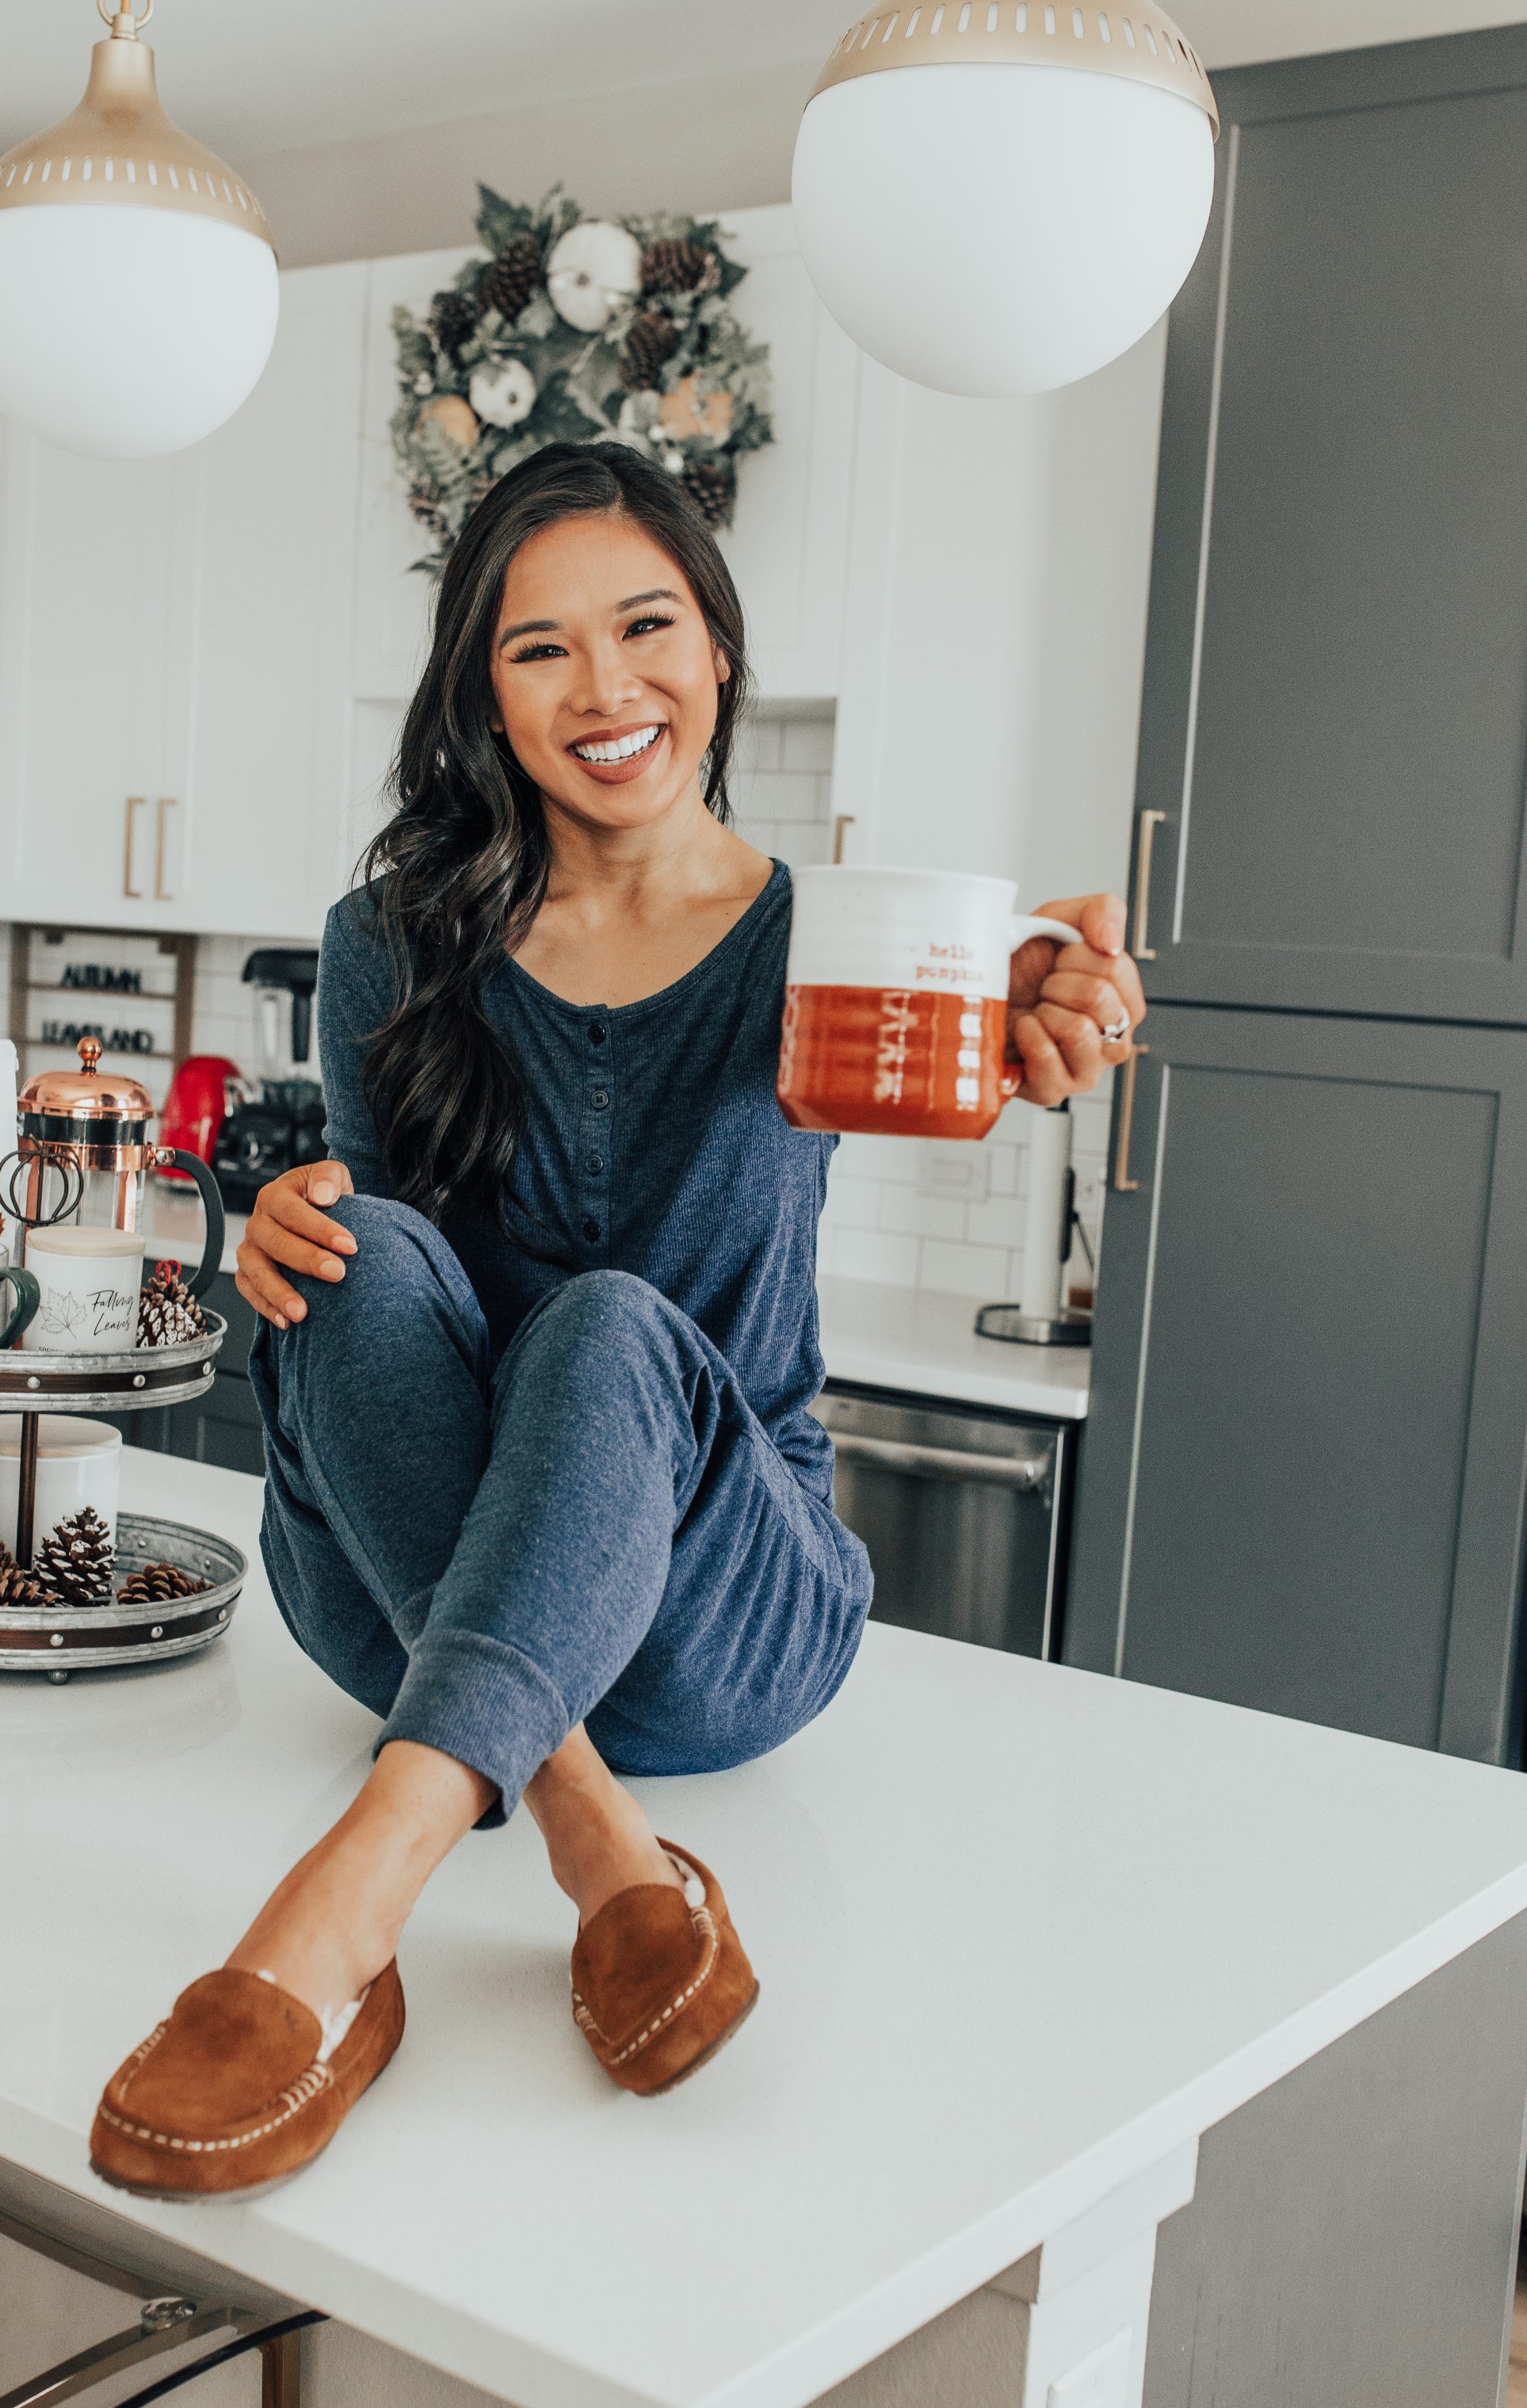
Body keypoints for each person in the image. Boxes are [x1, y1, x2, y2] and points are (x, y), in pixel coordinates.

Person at [90, 441, 1144, 2200]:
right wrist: (283, 1228)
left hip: (719, 1616)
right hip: (414, 1596)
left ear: (718, 651)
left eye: (646, 626)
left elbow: (980, 1056)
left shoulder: (843, 945)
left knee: (606, 1328)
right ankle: (588, 1829)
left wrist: (1035, 1011)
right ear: (483, 700)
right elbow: (391, 1334)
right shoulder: (390, 940)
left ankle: (349, 1901)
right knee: (355, 1239)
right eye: (538, 649)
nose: (605, 689)